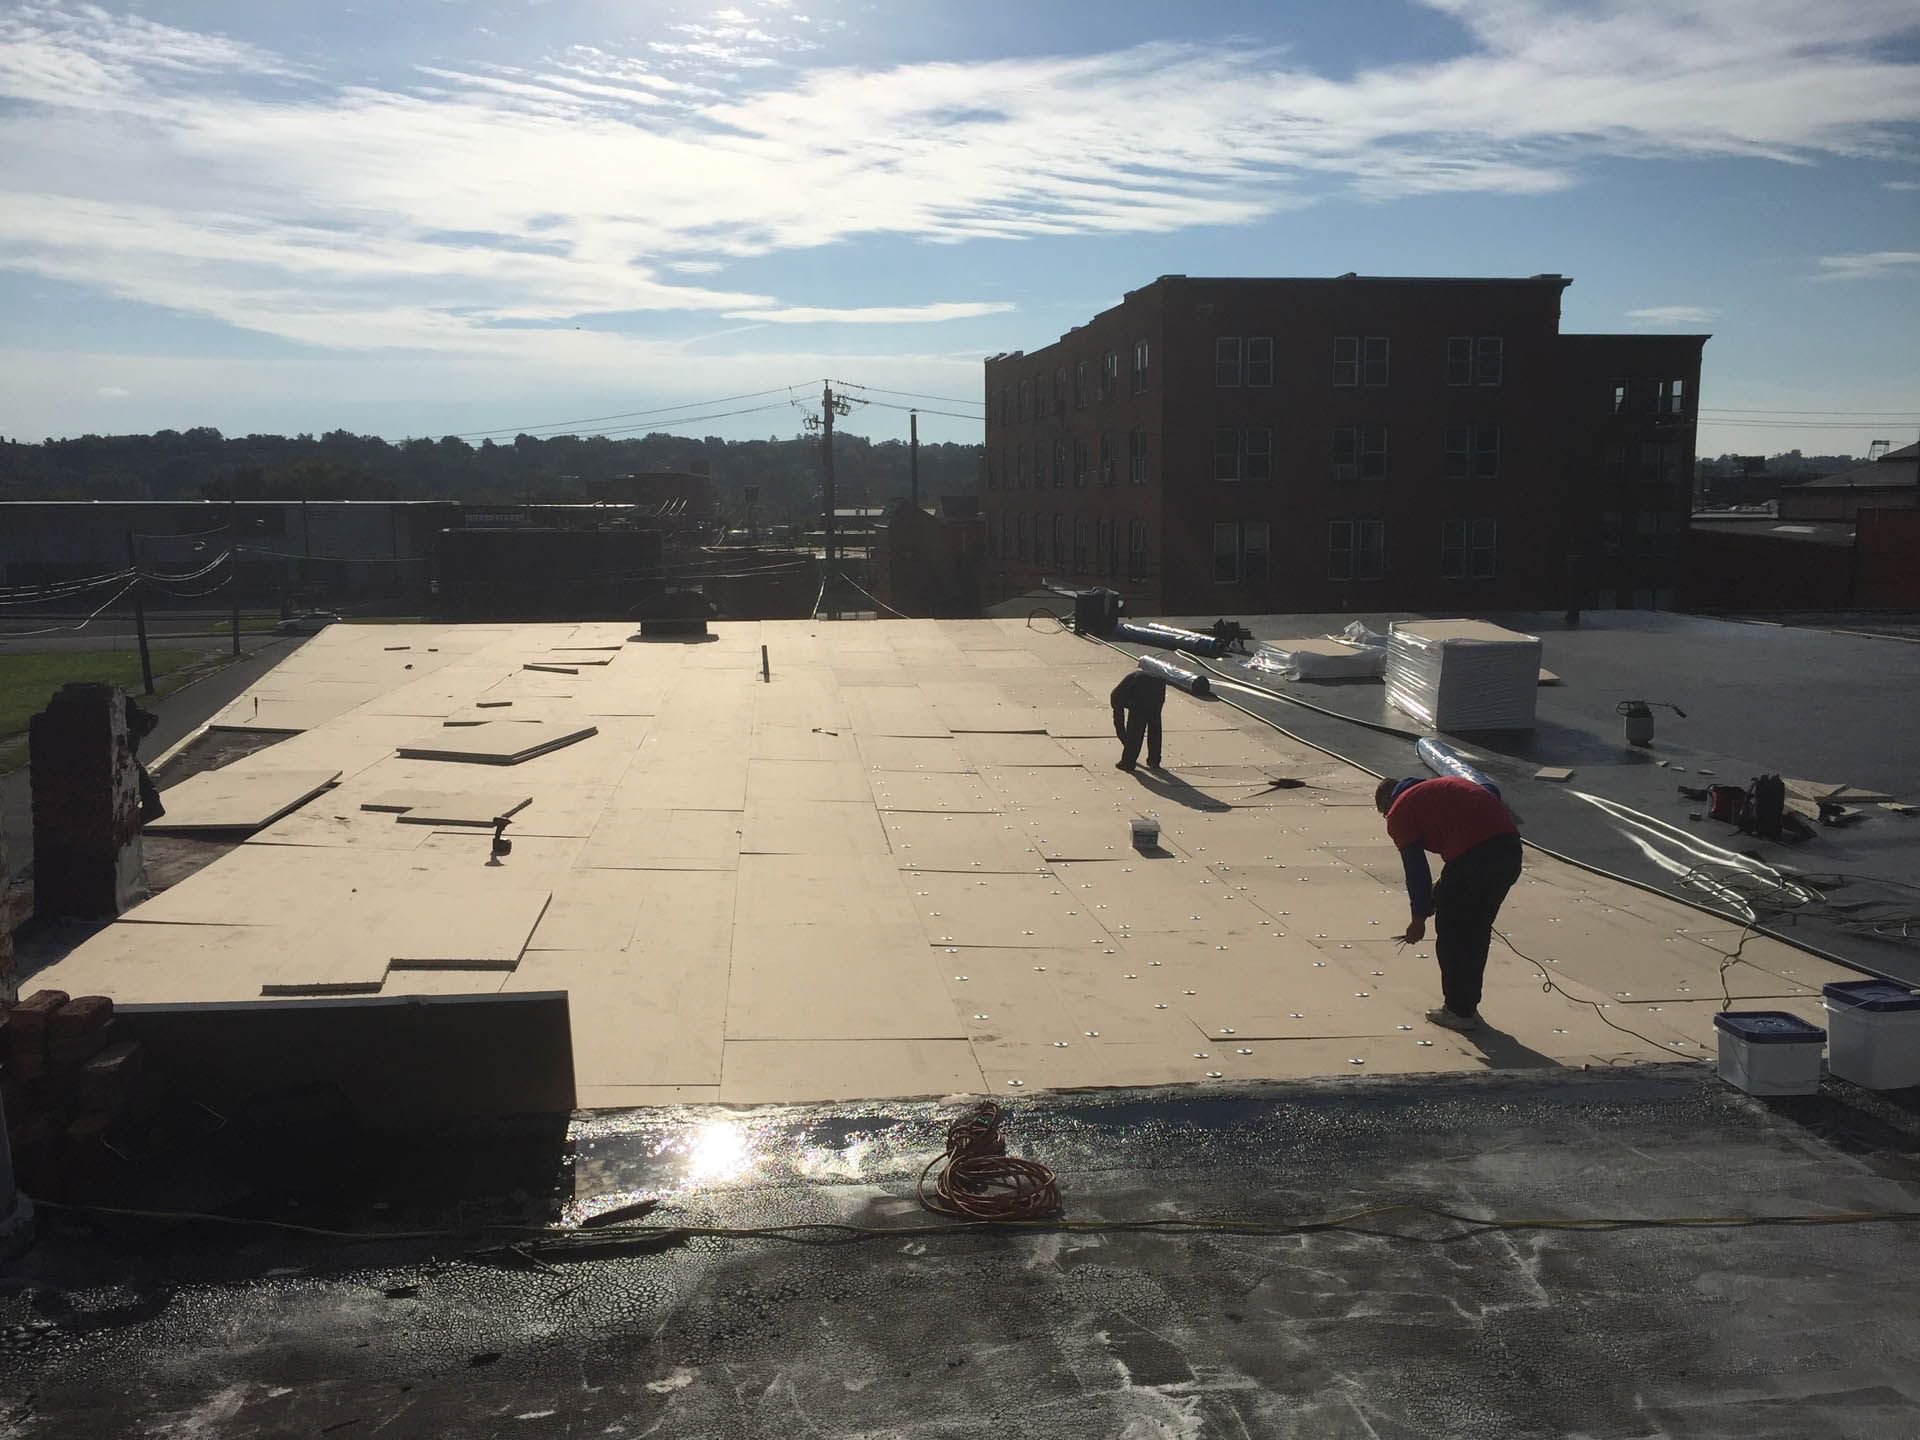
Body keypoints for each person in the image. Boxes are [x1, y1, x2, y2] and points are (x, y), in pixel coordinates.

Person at [1375, 773, 1522, 1031]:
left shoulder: (1400, 811)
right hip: (1509, 850)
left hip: (1474, 857)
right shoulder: (1439, 788)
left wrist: (1418, 919)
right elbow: (1490, 790)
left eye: (1384, 813)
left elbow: (1417, 872)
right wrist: (1438, 893)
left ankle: (1458, 1011)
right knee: (1476, 931)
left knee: (1453, 933)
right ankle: (1467, 1007)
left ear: (1388, 803)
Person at [1109, 668, 1167, 772]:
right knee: (1155, 726)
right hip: (1159, 685)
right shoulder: (1121, 692)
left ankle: (1127, 763)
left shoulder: (1116, 698)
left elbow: (1119, 725)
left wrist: (1127, 743)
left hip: (1141, 688)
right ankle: (1154, 760)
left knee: (1135, 729)